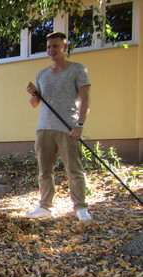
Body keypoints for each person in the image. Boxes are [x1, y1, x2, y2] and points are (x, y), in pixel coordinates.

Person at [25, 32, 92, 221]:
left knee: (74, 169)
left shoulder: (77, 70)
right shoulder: (42, 74)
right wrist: (34, 93)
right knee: (44, 170)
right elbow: (34, 103)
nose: (51, 50)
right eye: (48, 47)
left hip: (68, 127)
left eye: (55, 46)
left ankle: (80, 208)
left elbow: (85, 100)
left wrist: (80, 125)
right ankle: (45, 206)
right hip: (44, 127)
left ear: (65, 48)